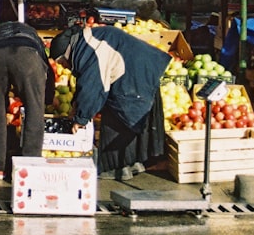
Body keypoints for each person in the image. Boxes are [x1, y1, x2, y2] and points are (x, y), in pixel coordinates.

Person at [49, 24, 170, 181]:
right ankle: (133, 163)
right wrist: (76, 105)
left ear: (67, 53)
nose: (63, 66)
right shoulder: (87, 42)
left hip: (134, 75)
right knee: (127, 114)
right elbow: (86, 81)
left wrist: (80, 118)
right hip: (142, 69)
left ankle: (115, 168)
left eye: (61, 62)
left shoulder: (90, 50)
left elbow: (92, 86)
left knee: (118, 113)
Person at [0, 21, 55, 181]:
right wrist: (46, 99)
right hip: (25, 55)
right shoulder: (33, 36)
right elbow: (49, 73)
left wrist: (0, 94)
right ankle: (29, 167)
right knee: (34, 110)